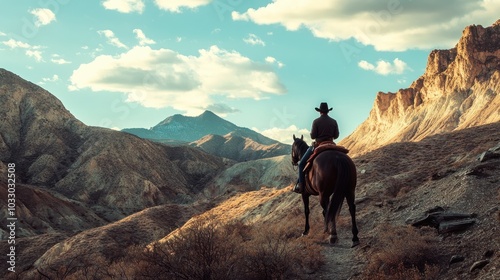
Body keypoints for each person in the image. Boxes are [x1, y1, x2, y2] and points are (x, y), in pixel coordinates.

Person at [293, 102, 339, 193]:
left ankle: (301, 186)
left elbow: (313, 136)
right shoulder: (334, 121)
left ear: (320, 111)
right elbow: (336, 135)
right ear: (327, 111)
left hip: (319, 145)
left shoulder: (316, 121)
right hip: (331, 144)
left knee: (302, 163)